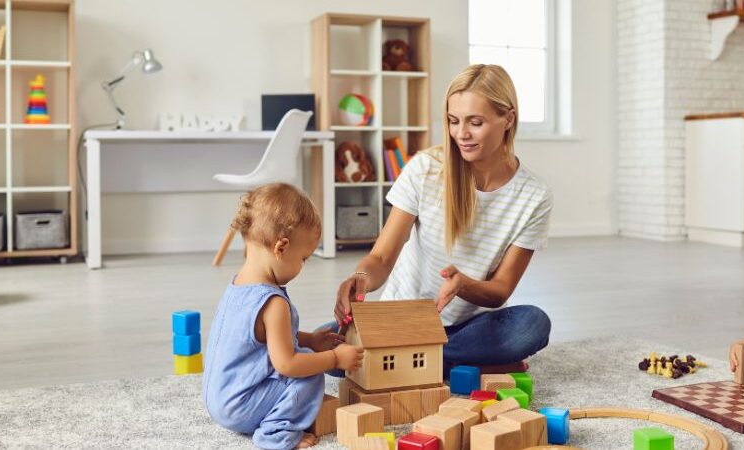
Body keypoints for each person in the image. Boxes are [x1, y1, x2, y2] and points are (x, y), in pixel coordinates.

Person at [332, 64, 553, 374]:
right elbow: (381, 257)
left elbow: (501, 290)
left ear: (508, 119)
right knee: (326, 343)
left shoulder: (534, 195)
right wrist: (359, 280)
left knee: (532, 325)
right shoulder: (425, 168)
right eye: (453, 121)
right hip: (403, 320)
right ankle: (461, 366)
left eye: (475, 122)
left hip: (466, 330)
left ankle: (411, 362)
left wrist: (463, 285)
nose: (461, 134)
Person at [203, 183, 364, 450]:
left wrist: (310, 339)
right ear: (281, 248)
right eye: (303, 258)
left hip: (218, 398)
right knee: (310, 374)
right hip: (240, 407)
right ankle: (276, 434)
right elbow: (287, 364)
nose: (302, 266)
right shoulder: (274, 302)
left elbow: (259, 337)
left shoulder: (238, 286)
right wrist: (334, 358)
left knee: (305, 353)